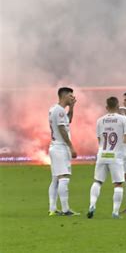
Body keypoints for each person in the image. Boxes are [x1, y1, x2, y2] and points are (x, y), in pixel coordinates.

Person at [87, 97, 126, 219]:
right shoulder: (122, 119)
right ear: (118, 107)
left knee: (97, 181)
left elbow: (99, 140)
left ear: (106, 107)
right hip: (116, 156)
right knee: (118, 184)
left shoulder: (100, 121)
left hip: (102, 154)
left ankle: (92, 205)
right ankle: (115, 212)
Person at [48, 87, 79, 216]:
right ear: (64, 96)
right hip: (60, 147)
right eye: (70, 96)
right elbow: (62, 129)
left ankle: (53, 209)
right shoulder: (59, 111)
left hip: (55, 146)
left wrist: (71, 108)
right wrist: (71, 147)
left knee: (55, 179)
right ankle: (66, 210)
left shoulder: (55, 109)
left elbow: (68, 121)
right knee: (64, 177)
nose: (72, 98)